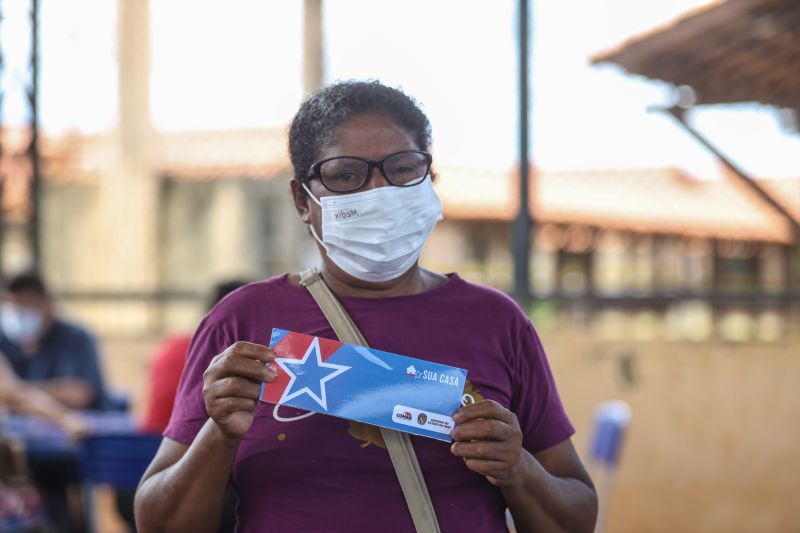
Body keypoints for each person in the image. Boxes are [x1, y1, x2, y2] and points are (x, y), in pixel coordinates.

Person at [135, 81, 597, 532]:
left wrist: (517, 468)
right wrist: (220, 435)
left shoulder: (497, 322)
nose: (378, 191)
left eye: (402, 168)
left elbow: (576, 516)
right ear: (302, 200)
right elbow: (158, 522)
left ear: (429, 180)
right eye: (344, 175)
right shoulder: (242, 321)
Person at [0, 273, 108, 411]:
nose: (20, 316)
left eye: (27, 307)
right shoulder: (6, 342)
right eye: (15, 309)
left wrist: (17, 393)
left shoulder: (75, 338)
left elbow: (78, 395)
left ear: (47, 304)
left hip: (86, 425)